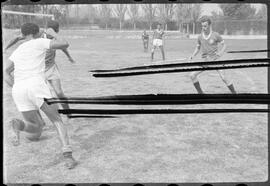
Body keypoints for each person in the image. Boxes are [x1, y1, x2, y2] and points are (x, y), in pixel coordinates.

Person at [4, 23, 77, 169]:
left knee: (36, 129)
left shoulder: (18, 49)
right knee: (57, 120)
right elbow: (65, 43)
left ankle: (16, 124)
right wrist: (52, 32)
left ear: (23, 35)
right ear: (37, 32)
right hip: (36, 86)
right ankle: (68, 157)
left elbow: (5, 72)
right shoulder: (39, 41)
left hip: (19, 90)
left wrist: (17, 87)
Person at [5, 20, 75, 117]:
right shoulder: (38, 34)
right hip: (36, 70)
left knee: (59, 92)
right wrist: (5, 48)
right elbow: (17, 38)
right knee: (35, 95)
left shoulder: (54, 37)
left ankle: (69, 114)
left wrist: (69, 56)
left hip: (50, 68)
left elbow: (62, 46)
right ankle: (40, 119)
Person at [188, 16, 236, 94]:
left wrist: (220, 54)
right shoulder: (200, 37)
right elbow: (198, 48)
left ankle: (234, 93)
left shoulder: (215, 35)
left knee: (224, 77)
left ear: (209, 25)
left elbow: (224, 45)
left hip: (215, 60)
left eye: (205, 26)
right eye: (202, 26)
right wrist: (192, 55)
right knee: (192, 75)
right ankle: (201, 94)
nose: (203, 28)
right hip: (205, 61)